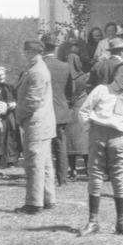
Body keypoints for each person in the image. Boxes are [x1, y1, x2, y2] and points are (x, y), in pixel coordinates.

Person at [77, 60, 123, 236]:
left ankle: (121, 222)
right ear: (115, 75)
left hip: (118, 138)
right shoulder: (101, 90)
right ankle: (92, 221)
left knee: (119, 177)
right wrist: (91, 129)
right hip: (98, 134)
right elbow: (84, 111)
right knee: (95, 174)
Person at [14, 40, 56, 215]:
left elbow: (32, 100)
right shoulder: (37, 69)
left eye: (27, 51)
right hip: (43, 122)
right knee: (44, 163)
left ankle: (34, 203)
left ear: (34, 52)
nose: (25, 54)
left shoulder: (37, 71)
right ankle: (48, 198)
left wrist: (18, 115)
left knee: (34, 164)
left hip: (36, 123)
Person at [41, 34, 75, 186]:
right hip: (61, 109)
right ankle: (62, 178)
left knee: (44, 145)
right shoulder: (64, 66)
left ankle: (45, 178)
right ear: (54, 49)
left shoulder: (38, 66)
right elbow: (70, 91)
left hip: (44, 111)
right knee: (61, 145)